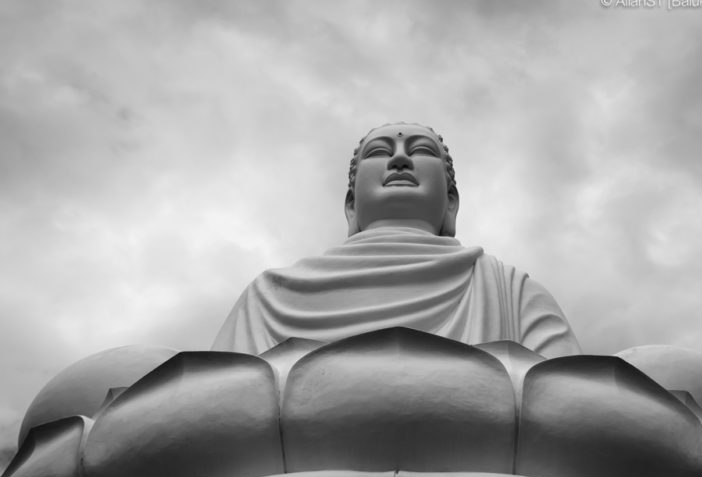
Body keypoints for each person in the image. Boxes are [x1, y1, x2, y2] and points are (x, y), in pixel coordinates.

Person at [212, 123, 581, 357]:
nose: (400, 161)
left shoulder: (509, 291)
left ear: (450, 202)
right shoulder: (267, 297)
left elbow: (570, 398)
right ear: (352, 206)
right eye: (379, 153)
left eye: (421, 151)